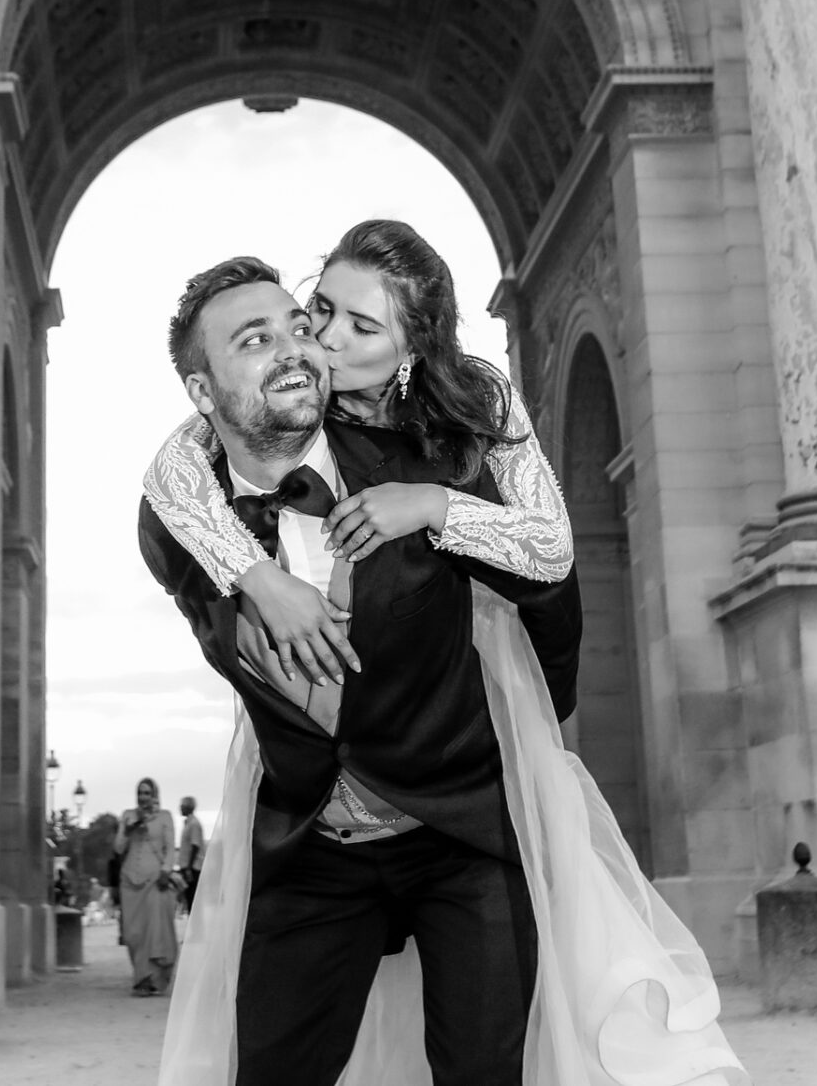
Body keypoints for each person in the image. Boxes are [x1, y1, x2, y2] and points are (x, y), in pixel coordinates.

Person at [140, 226, 743, 1086]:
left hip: (461, 827)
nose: (314, 343)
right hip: (311, 841)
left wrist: (438, 513)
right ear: (204, 388)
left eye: (337, 327)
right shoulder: (188, 506)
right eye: (309, 317)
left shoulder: (443, 452)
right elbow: (174, 465)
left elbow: (551, 573)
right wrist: (256, 576)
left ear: (410, 348)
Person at [115, 779, 181, 997]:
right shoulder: (128, 815)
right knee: (133, 933)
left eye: (147, 793)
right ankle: (140, 973)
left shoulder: (165, 817)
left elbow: (170, 848)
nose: (143, 797)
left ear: (154, 795)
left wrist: (166, 871)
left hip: (154, 879)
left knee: (153, 930)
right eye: (140, 793)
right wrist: (129, 829)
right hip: (129, 880)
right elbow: (118, 848)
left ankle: (149, 980)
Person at [176, 796, 206, 915]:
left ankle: (196, 923)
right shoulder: (188, 823)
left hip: (193, 868)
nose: (180, 808)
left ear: (188, 807)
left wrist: (189, 867)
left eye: (182, 805)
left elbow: (195, 845)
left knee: (193, 899)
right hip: (187, 867)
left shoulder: (194, 824)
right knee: (188, 898)